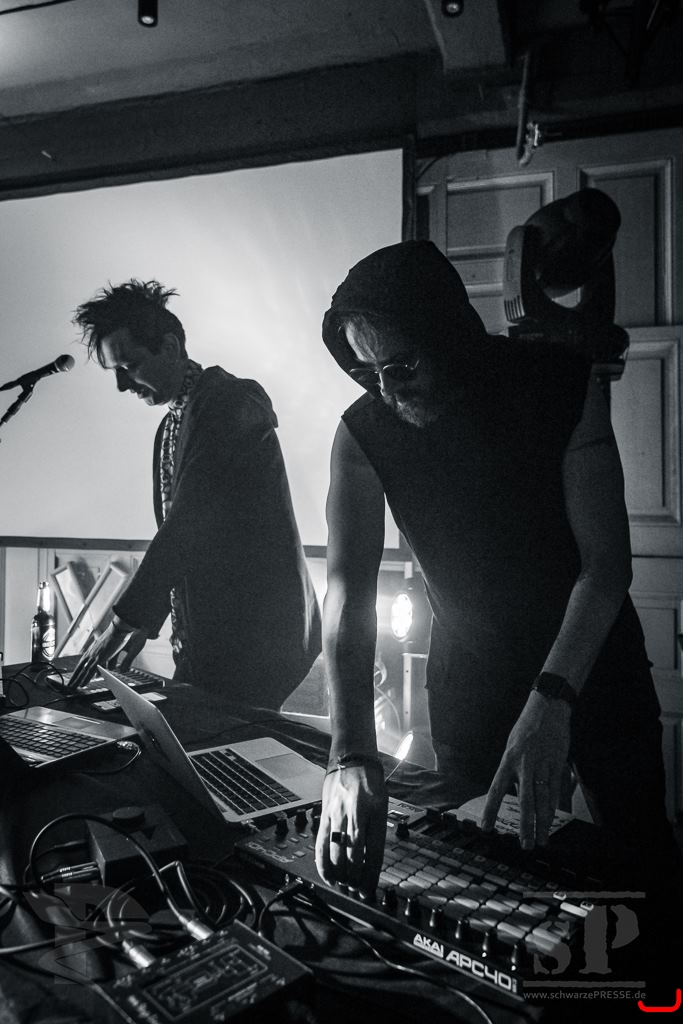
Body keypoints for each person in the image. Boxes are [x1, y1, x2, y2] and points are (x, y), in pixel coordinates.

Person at [313, 239, 683, 911]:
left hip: (593, 662)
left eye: (401, 365)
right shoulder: (362, 433)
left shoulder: (558, 384)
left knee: (638, 863)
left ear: (447, 335)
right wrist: (350, 753)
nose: (387, 390)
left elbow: (604, 567)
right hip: (472, 680)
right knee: (486, 873)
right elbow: (345, 594)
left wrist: (551, 699)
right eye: (368, 372)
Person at [68, 279, 321, 708]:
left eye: (129, 365)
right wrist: (146, 625)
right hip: (212, 642)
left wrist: (124, 623)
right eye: (115, 373)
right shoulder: (171, 424)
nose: (123, 385)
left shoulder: (230, 401)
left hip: (254, 640)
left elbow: (189, 523)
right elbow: (186, 539)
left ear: (169, 347)